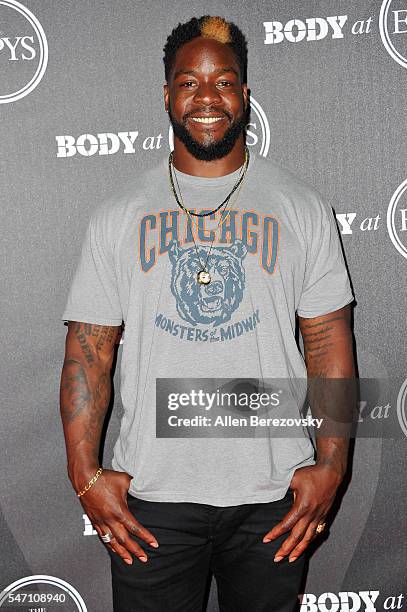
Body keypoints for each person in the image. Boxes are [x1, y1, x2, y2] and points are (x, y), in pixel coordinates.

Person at [59, 15, 356, 612]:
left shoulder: (301, 207)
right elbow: (89, 352)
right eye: (188, 82)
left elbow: (329, 344)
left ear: (244, 96)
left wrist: (333, 465)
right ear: (167, 96)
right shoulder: (117, 215)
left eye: (224, 81)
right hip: (153, 496)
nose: (206, 97)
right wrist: (84, 473)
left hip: (276, 495)